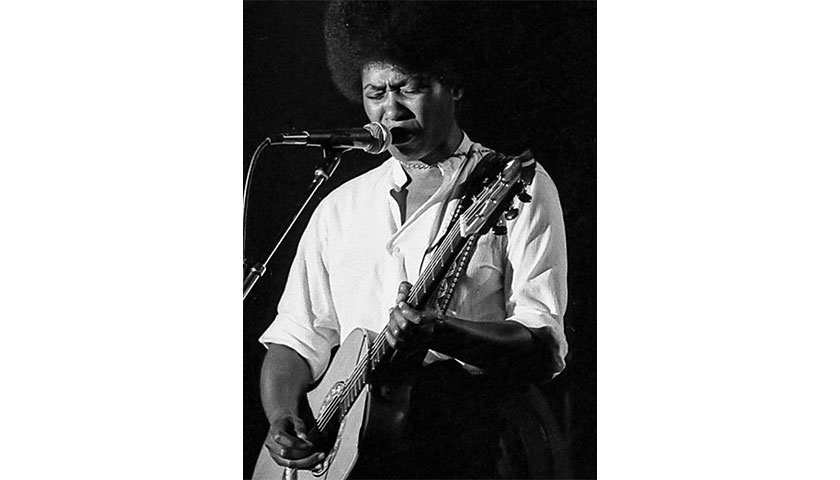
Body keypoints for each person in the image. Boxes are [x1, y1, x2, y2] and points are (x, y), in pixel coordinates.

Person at [258, 2, 568, 478]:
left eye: (409, 87)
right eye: (375, 92)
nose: (390, 109)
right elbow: (295, 339)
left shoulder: (515, 184)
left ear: (454, 85)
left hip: (472, 446)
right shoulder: (339, 208)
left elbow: (542, 347)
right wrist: (283, 417)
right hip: (359, 462)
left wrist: (441, 332)